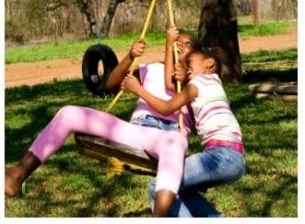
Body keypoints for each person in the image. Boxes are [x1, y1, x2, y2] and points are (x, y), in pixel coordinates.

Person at [5, 42, 189, 217]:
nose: (177, 45)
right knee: (69, 113)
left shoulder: (197, 79)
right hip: (135, 131)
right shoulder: (152, 68)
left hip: (166, 136)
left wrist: (183, 70)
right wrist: (130, 56)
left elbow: (176, 92)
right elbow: (109, 86)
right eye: (175, 41)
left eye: (186, 44)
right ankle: (18, 174)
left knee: (174, 142)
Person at [121, 48, 246, 217]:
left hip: (220, 156)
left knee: (160, 188)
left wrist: (138, 90)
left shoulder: (199, 82)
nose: (185, 67)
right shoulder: (214, 85)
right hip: (235, 161)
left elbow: (167, 108)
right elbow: (172, 84)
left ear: (209, 63)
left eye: (189, 63)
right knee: (181, 191)